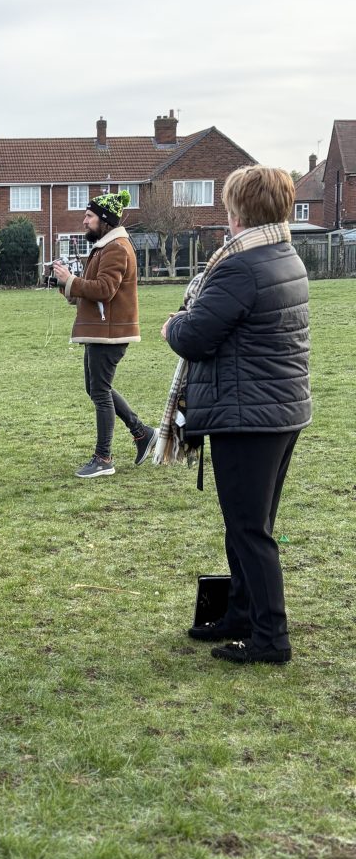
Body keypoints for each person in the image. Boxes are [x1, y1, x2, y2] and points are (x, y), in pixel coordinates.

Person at [160, 165, 311, 665]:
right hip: (278, 410)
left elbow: (196, 337)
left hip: (249, 416)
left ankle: (271, 637)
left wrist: (172, 325)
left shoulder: (240, 267)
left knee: (249, 529)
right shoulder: (284, 256)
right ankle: (241, 614)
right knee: (249, 524)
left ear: (239, 211)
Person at [52, 190, 158, 477]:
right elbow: (89, 289)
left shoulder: (116, 248)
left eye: (89, 216)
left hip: (110, 333)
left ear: (105, 220)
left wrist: (72, 280)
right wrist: (64, 283)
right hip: (101, 330)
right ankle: (142, 433)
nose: (84, 221)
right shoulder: (104, 247)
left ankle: (104, 458)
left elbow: (104, 290)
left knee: (100, 391)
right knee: (97, 388)